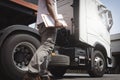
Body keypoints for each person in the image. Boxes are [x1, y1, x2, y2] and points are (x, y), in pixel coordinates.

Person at [23, 0, 63, 80]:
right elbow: (49, 3)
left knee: (45, 50)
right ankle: (32, 72)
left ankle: (43, 73)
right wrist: (56, 20)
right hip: (49, 23)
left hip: (43, 22)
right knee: (47, 46)